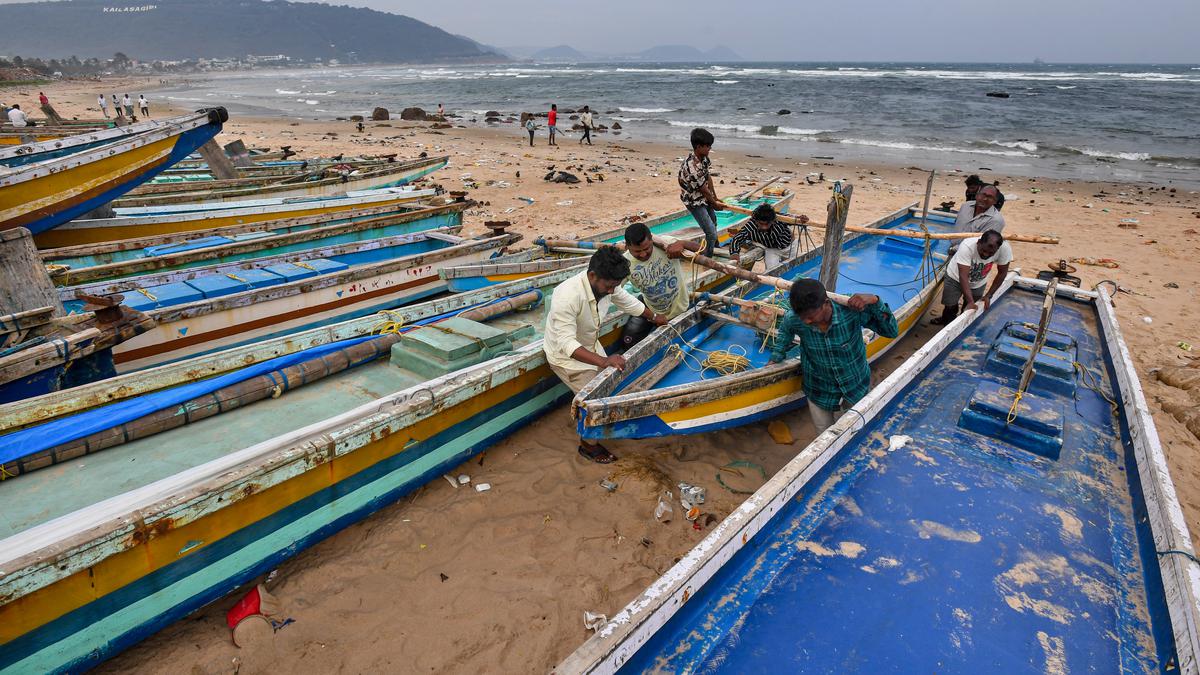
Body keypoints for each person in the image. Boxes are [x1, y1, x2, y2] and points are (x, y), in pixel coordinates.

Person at [544, 246, 667, 463]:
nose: (612, 291)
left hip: (590, 345)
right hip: (567, 358)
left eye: (615, 286)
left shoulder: (606, 285)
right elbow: (566, 344)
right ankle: (588, 447)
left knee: (612, 384)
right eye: (609, 286)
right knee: (594, 401)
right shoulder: (568, 296)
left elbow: (627, 301)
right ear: (593, 276)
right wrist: (604, 360)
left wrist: (654, 316)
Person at [768, 278, 899, 434]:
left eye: (811, 316)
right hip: (818, 388)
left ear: (826, 303)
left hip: (855, 384)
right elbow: (785, 333)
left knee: (857, 429)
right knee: (824, 434)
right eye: (802, 316)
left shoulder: (851, 310)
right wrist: (775, 358)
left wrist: (875, 301)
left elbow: (891, 331)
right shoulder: (794, 319)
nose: (806, 321)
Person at [619, 223, 700, 350]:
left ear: (652, 240)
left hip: (681, 308)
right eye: (637, 251)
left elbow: (703, 250)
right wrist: (653, 316)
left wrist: (683, 244)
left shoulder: (666, 244)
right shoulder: (624, 264)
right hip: (651, 312)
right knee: (627, 344)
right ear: (627, 247)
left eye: (647, 249)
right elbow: (612, 290)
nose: (643, 254)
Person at [931, 230, 1012, 325]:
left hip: (978, 282)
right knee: (950, 306)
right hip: (955, 277)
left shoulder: (1005, 249)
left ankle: (960, 325)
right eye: (983, 250)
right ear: (978, 243)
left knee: (969, 310)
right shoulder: (967, 246)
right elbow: (963, 276)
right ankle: (946, 321)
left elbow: (1002, 273)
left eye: (991, 253)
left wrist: (989, 295)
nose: (986, 255)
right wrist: (970, 301)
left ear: (998, 249)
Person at [678, 127, 725, 258]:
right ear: (698, 147)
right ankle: (708, 257)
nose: (710, 149)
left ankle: (715, 248)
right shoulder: (691, 166)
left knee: (713, 221)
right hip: (693, 201)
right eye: (707, 146)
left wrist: (715, 198)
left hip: (703, 196)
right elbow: (703, 189)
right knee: (710, 232)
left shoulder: (704, 158)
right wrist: (714, 204)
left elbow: (707, 178)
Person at [729, 203, 809, 270]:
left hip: (790, 247)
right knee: (771, 272)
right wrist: (734, 253)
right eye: (761, 224)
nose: (764, 227)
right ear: (756, 221)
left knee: (791, 269)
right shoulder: (750, 226)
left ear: (773, 220)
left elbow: (794, 219)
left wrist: (801, 219)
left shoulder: (780, 219)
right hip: (771, 249)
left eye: (767, 224)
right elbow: (736, 239)